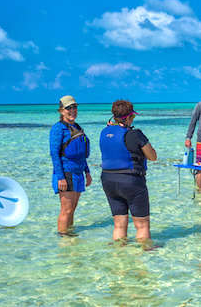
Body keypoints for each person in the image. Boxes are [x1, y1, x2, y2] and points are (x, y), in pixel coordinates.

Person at [100, 100, 157, 246]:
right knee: (142, 225)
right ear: (129, 117)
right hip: (131, 181)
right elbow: (153, 156)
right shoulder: (135, 134)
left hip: (108, 181)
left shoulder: (104, 132)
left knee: (119, 224)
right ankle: (145, 255)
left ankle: (120, 258)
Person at [49, 95, 92, 236]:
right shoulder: (58, 129)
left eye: (74, 107)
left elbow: (80, 152)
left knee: (72, 209)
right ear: (61, 111)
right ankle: (63, 239)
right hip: (66, 173)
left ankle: (70, 235)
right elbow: (55, 154)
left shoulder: (76, 127)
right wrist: (61, 178)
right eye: (68, 108)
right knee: (66, 210)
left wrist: (87, 172)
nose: (72, 110)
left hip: (78, 173)